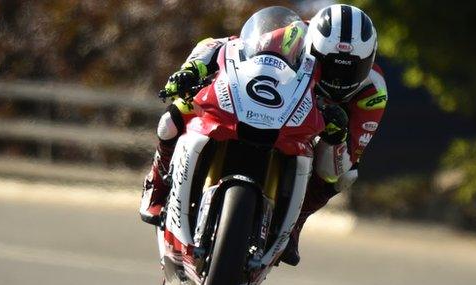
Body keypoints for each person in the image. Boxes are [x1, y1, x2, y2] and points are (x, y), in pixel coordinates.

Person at [140, 5, 387, 266]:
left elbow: (343, 163)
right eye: (329, 65)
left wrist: (337, 137)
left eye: (351, 69)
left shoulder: (373, 93)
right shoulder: (293, 35)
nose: (338, 79)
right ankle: (156, 184)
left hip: (315, 131)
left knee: (343, 176)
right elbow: (223, 45)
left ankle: (294, 224)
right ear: (312, 47)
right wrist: (193, 69)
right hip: (273, 103)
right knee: (172, 118)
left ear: (369, 60)